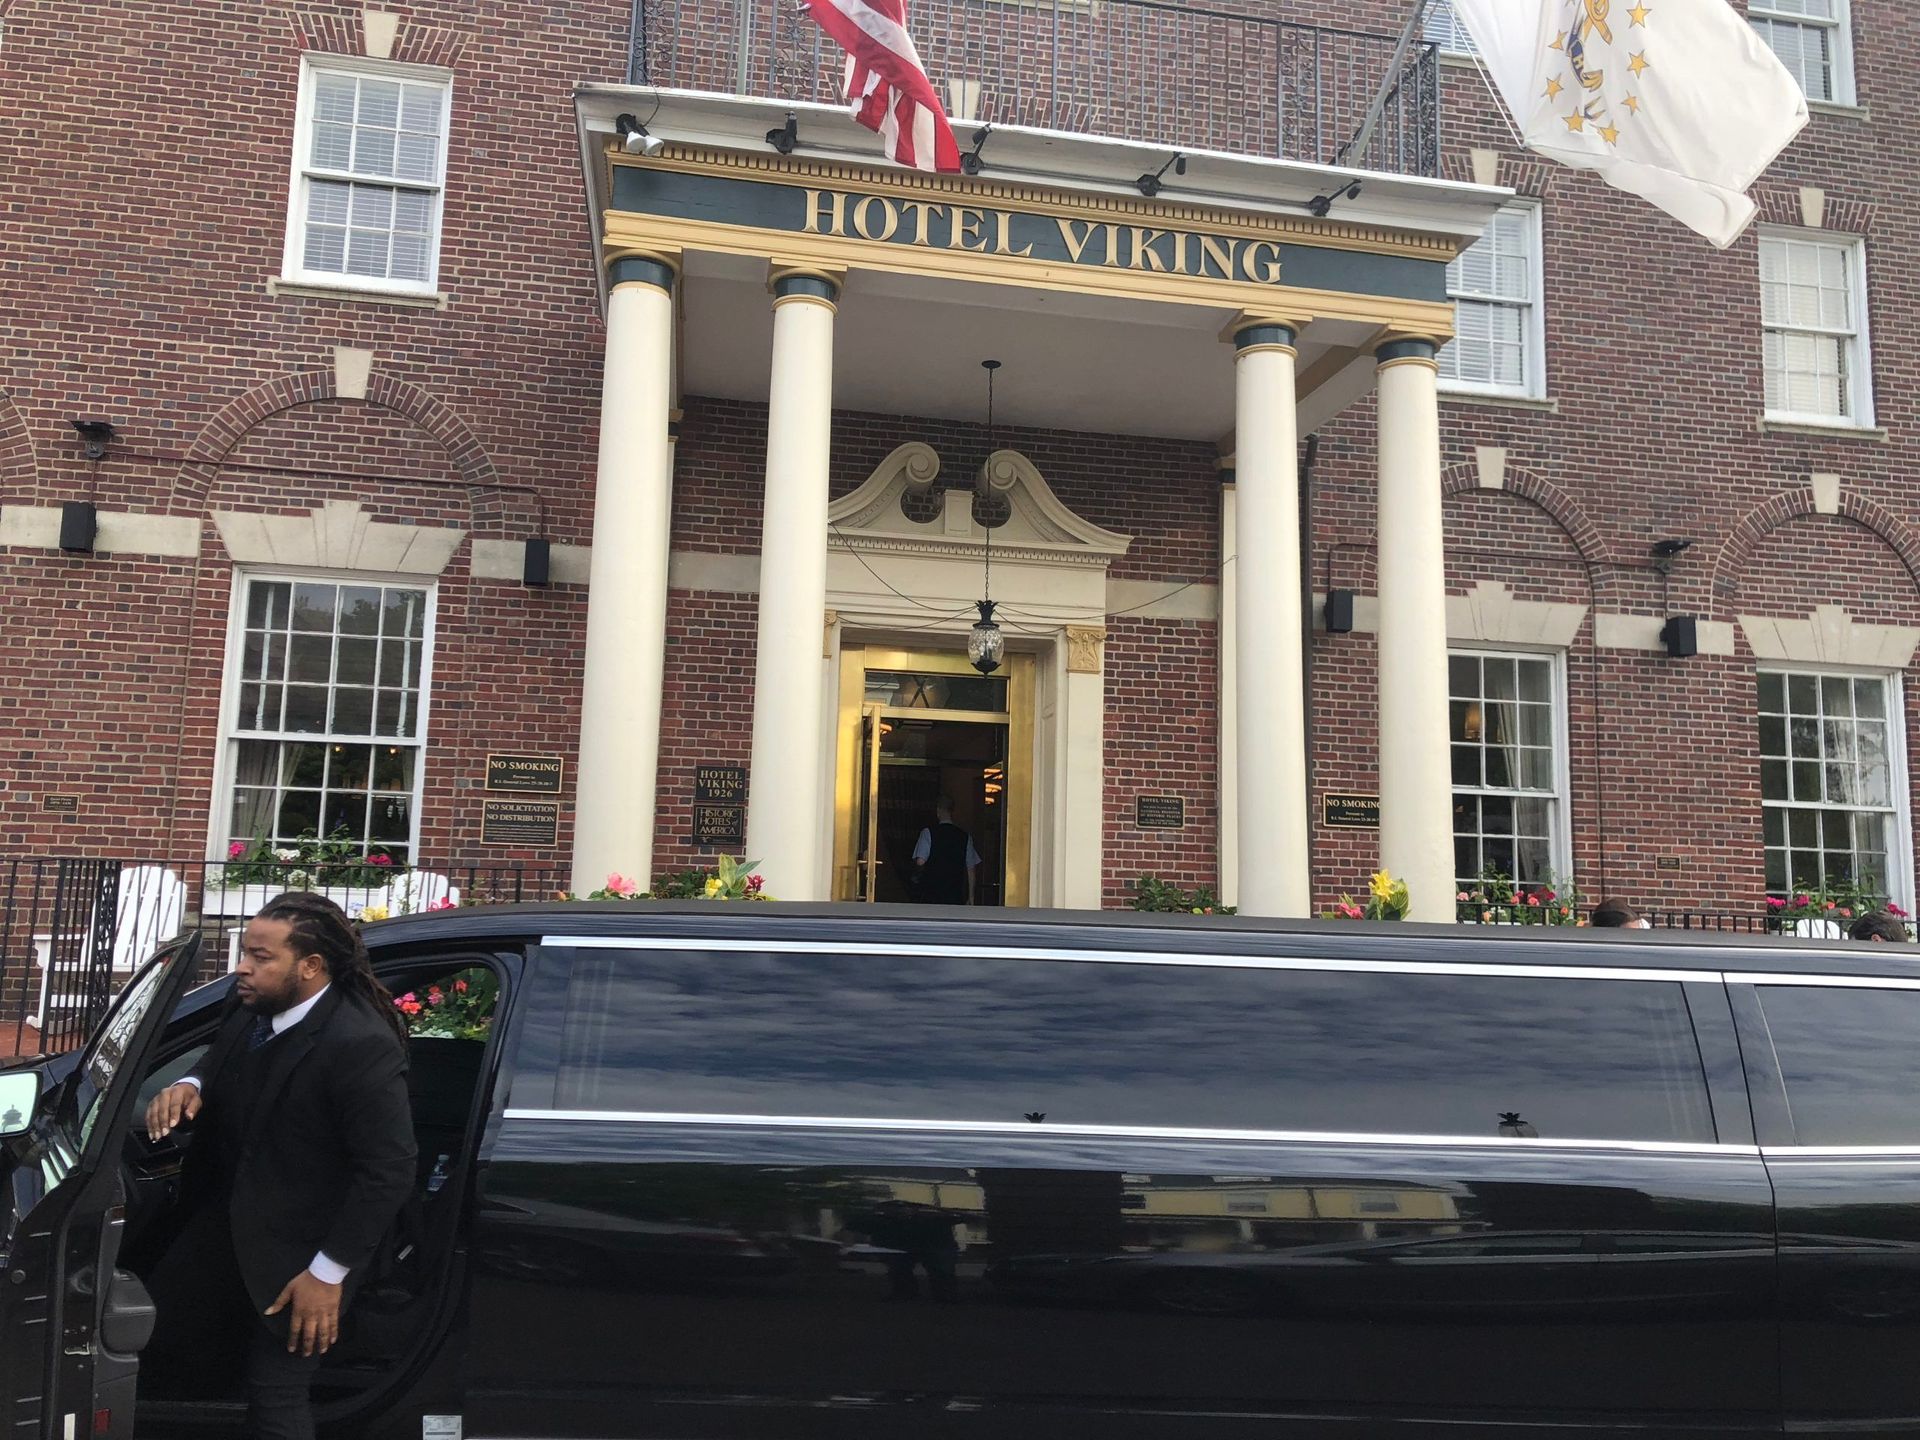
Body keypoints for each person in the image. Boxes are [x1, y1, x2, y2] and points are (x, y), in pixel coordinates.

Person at [140, 891, 416, 1440]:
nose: (242, 967)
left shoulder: (358, 1044)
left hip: (305, 1252)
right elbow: (219, 1054)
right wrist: (191, 1083)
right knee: (153, 1340)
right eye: (245, 952)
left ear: (311, 966)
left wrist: (327, 1275)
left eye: (261, 957)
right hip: (229, 1222)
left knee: (276, 1393)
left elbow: (388, 1169)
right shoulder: (253, 1004)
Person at [911, 796, 981, 905]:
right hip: (954, 895)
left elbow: (920, 861)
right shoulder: (965, 837)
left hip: (931, 894)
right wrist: (971, 896)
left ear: (938, 811)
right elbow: (971, 869)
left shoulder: (928, 833)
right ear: (952, 812)